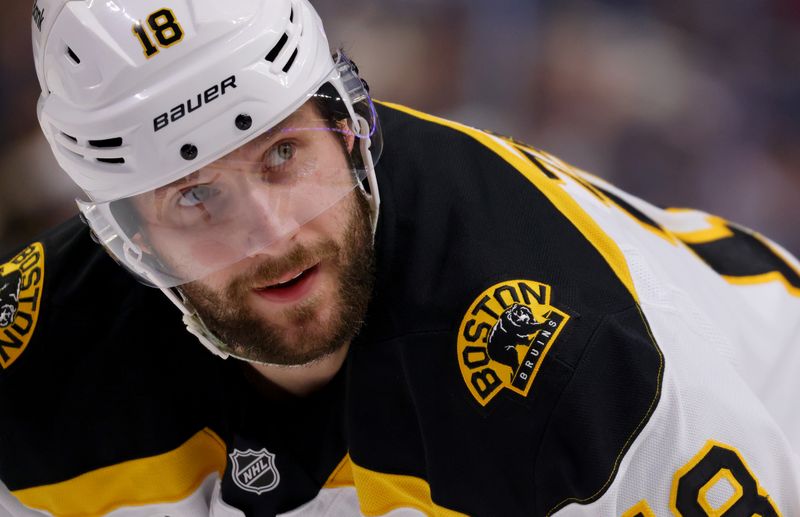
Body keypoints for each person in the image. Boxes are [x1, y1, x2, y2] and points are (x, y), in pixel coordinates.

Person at [1, 0, 798, 515]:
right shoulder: (35, 359)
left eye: (283, 155)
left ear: (350, 128)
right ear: (131, 239)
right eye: (195, 197)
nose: (272, 234)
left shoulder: (581, 367)